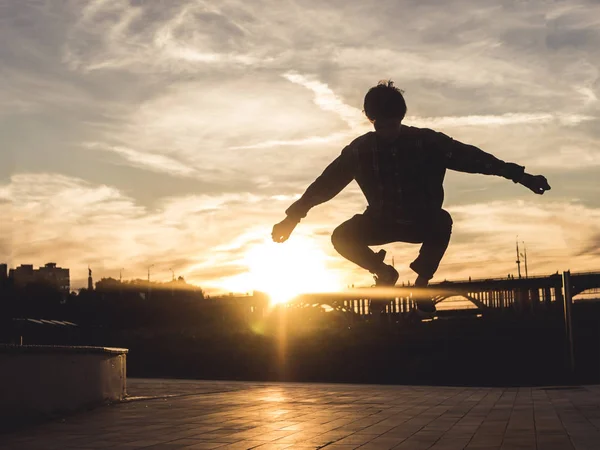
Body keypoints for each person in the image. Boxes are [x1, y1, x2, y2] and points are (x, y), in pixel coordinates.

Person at [271, 80, 550, 316]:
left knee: (430, 222)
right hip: (409, 222)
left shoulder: (376, 148)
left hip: (396, 222)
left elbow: (324, 187)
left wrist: (291, 219)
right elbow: (478, 159)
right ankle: (403, 278)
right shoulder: (414, 143)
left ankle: (406, 279)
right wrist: (522, 177)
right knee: (432, 223)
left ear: (370, 115)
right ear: (395, 114)